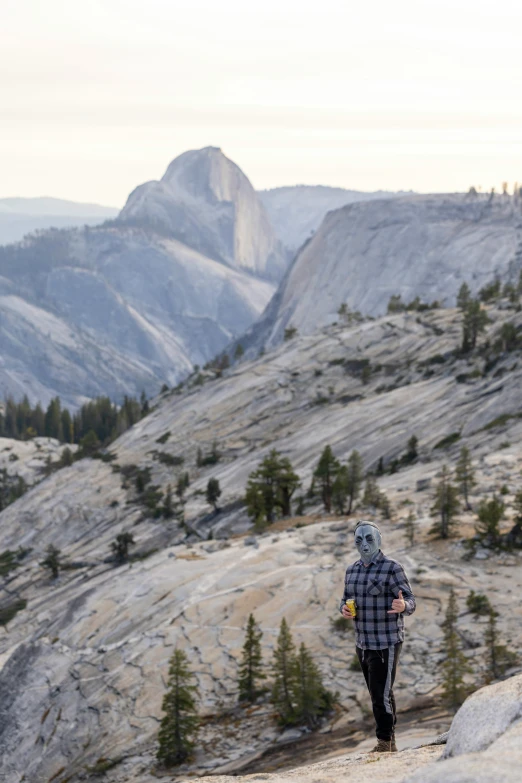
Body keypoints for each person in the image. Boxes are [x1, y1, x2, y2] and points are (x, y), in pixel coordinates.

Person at [339, 520, 416, 752]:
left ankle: (383, 742)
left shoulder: (392, 568)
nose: (364, 544)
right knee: (381, 691)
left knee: (379, 695)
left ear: (379, 540)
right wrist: (343, 608)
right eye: (359, 540)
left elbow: (411, 600)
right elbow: (345, 599)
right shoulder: (351, 570)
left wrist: (404, 606)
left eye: (369, 538)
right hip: (362, 642)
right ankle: (391, 742)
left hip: (387, 640)